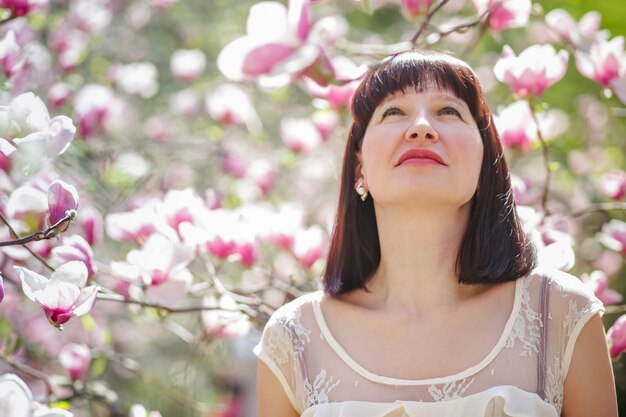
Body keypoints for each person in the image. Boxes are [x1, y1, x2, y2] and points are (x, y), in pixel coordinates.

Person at [255, 51, 618, 417]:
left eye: (449, 111)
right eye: (394, 112)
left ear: (484, 160)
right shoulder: (294, 340)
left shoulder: (559, 312)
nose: (422, 128)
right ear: (359, 166)